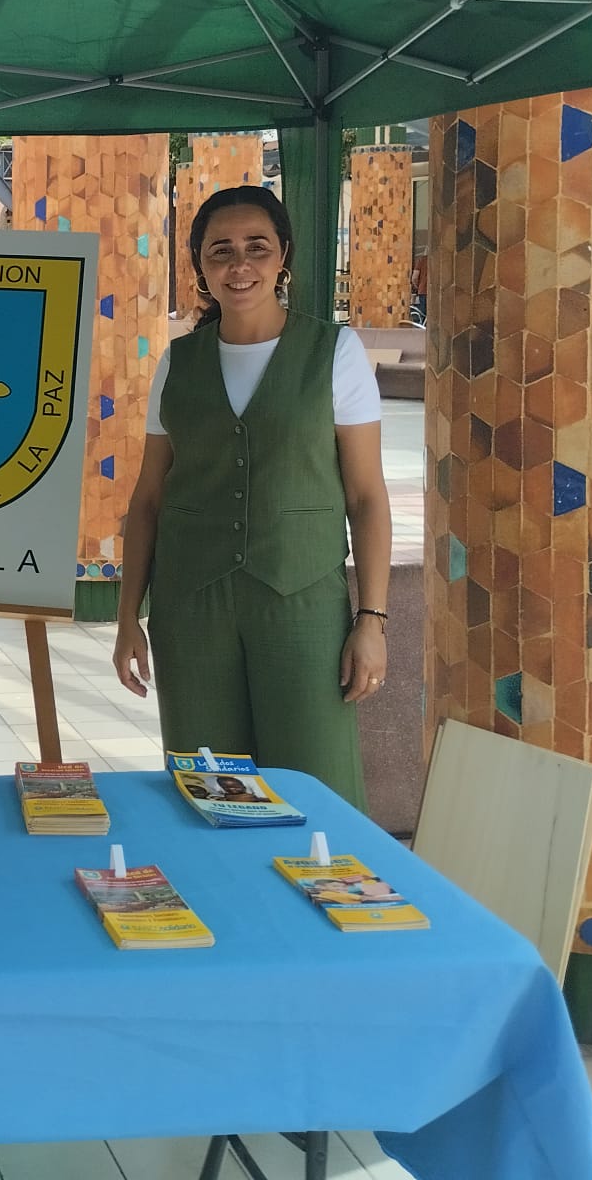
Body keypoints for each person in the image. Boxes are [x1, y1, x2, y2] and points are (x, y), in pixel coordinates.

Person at [111, 185, 390, 809]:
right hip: (191, 606)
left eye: (256, 248)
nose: (240, 265)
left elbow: (367, 496)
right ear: (201, 268)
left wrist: (371, 620)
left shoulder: (335, 353)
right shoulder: (177, 364)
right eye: (221, 251)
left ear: (283, 256)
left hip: (303, 608)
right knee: (209, 790)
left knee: (317, 786)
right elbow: (149, 499)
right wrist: (128, 618)